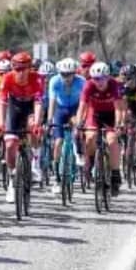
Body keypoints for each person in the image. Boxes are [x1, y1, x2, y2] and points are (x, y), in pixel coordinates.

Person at [0, 52, 44, 204]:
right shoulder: (7, 78)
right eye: (17, 69)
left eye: (24, 69)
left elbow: (39, 103)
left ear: (30, 68)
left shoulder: (37, 78)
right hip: (13, 107)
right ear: (12, 68)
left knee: (32, 127)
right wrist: (1, 123)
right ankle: (11, 180)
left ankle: (35, 165)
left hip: (30, 107)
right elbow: (2, 102)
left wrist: (37, 122)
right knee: (9, 144)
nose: (20, 72)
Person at [76, 61, 125, 196]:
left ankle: (115, 174)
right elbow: (82, 107)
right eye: (96, 79)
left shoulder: (114, 85)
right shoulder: (89, 85)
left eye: (103, 78)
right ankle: (91, 161)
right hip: (94, 114)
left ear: (108, 77)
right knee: (90, 137)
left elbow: (118, 108)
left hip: (111, 115)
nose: (100, 82)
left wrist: (119, 124)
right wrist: (79, 123)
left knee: (112, 140)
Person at [48, 58, 85, 194]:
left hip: (76, 109)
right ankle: (57, 177)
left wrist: (81, 120)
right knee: (58, 142)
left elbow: (84, 102)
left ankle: (80, 152)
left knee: (78, 131)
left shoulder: (81, 81)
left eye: (69, 74)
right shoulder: (54, 81)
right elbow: (52, 101)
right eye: (63, 74)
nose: (66, 77)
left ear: (74, 73)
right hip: (61, 109)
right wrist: (49, 120)